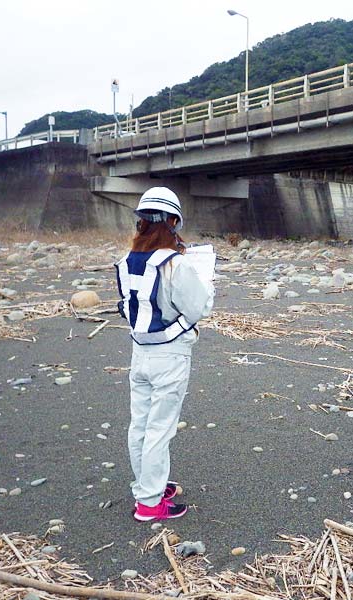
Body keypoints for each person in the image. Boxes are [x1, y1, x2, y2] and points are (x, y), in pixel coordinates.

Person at [115, 186, 214, 522]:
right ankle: (149, 503)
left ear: (141, 221)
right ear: (173, 221)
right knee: (160, 429)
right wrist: (205, 281)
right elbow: (199, 307)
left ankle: (147, 485)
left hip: (139, 352)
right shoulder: (176, 264)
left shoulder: (126, 261)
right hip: (170, 355)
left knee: (140, 425)